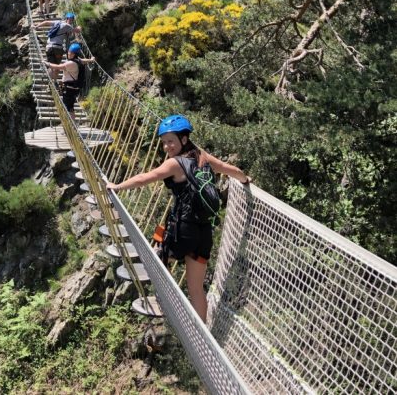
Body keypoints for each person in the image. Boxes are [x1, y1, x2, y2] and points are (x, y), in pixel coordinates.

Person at [106, 115, 251, 323]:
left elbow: (145, 178)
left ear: (184, 139)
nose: (166, 146)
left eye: (170, 141)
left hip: (182, 230)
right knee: (196, 289)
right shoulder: (204, 158)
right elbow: (232, 170)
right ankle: (202, 334)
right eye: (164, 142)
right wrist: (245, 180)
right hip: (204, 234)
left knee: (156, 258)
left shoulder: (175, 164)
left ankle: (164, 302)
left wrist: (117, 187)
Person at [45, 43, 94, 122]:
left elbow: (58, 67)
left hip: (69, 88)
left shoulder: (70, 63)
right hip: (74, 88)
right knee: (70, 107)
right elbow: (84, 61)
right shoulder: (79, 60)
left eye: (71, 53)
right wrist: (91, 60)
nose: (68, 53)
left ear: (75, 54)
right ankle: (73, 124)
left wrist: (48, 64)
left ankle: (70, 125)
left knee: (67, 107)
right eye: (69, 52)